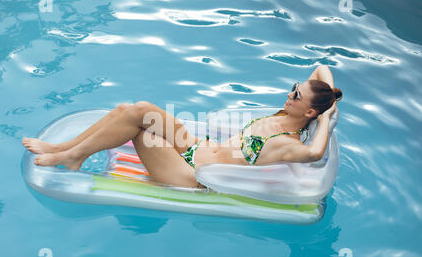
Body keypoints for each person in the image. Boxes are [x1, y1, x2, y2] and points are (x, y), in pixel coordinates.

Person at [22, 65, 342, 188]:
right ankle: (65, 150)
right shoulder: (286, 114)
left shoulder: (289, 142)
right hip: (194, 146)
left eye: (297, 95)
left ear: (310, 111)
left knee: (139, 130)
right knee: (135, 109)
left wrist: (326, 118)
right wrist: (332, 103)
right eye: (293, 87)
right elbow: (322, 69)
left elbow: (315, 153)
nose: (289, 94)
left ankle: (72, 156)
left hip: (192, 176)